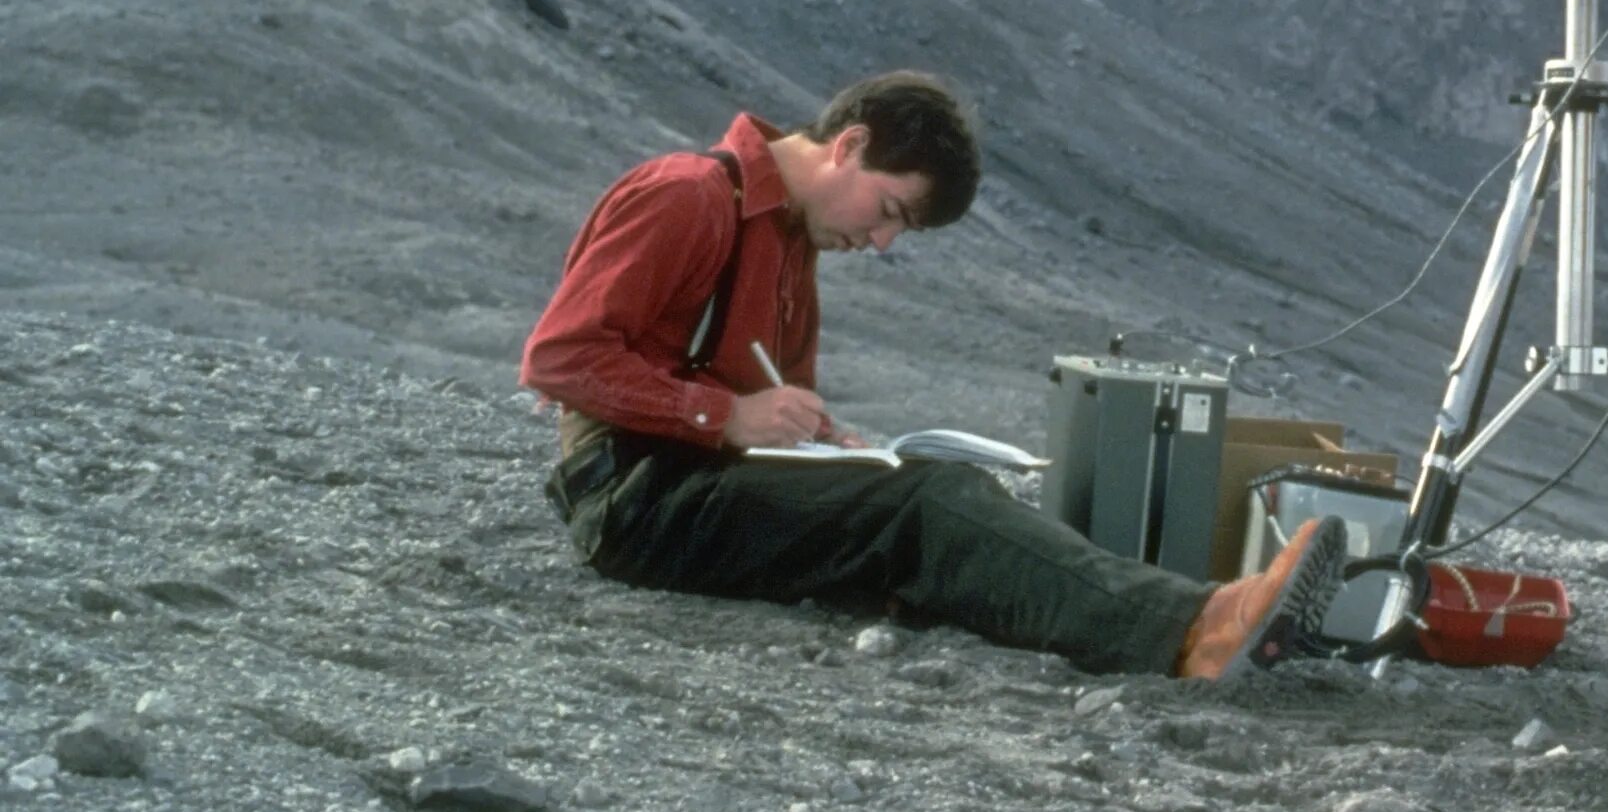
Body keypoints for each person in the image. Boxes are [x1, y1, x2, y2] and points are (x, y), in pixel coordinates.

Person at [521, 70, 1342, 679]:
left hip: (694, 484)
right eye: (888, 212)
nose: (881, 243)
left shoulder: (789, 242)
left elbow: (759, 397)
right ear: (849, 145)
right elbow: (559, 356)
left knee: (933, 504)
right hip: (635, 501)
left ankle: (1193, 627)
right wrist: (722, 418)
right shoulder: (686, 195)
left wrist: (818, 441)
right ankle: (1197, 626)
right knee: (926, 504)